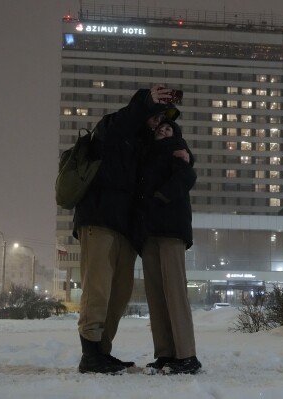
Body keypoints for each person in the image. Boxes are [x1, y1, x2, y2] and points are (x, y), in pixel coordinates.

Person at [72, 86, 181, 374]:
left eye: (163, 119)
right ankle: (90, 355)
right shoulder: (114, 127)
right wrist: (146, 103)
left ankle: (102, 352)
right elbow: (127, 120)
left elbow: (168, 161)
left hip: (126, 229)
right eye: (155, 116)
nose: (158, 122)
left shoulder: (145, 146)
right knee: (97, 288)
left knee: (119, 293)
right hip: (99, 218)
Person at [134, 119, 201, 375]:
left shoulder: (177, 148)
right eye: (160, 129)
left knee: (174, 292)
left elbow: (187, 175)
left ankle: (186, 355)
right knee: (156, 295)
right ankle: (165, 353)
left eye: (168, 128)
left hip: (171, 229)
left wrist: (160, 197)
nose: (163, 131)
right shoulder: (147, 155)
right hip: (149, 233)